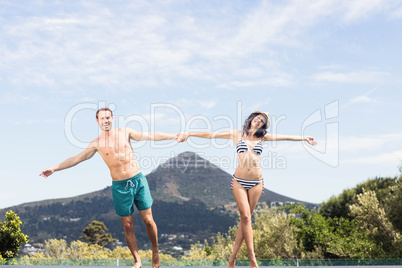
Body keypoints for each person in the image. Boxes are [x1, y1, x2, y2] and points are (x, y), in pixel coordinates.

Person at [40, 107, 180, 268]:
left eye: (108, 118)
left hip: (138, 180)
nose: (105, 121)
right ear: (97, 121)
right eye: (102, 118)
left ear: (112, 119)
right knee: (127, 225)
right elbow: (77, 158)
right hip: (120, 186)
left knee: (148, 220)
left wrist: (173, 136)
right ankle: (137, 260)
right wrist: (55, 168)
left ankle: (155, 252)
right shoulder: (96, 144)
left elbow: (150, 136)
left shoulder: (125, 132)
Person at [177, 111, 317, 268]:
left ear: (263, 126)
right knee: (245, 217)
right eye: (257, 118)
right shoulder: (237, 134)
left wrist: (304, 138)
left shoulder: (262, 137)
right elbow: (211, 135)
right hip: (239, 181)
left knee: (246, 220)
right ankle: (252, 259)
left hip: (257, 183)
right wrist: (189, 133)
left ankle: (232, 259)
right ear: (251, 119)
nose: (259, 121)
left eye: (262, 121)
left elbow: (285, 137)